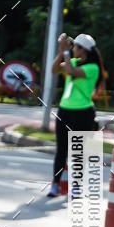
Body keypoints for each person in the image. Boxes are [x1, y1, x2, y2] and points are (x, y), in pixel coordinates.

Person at [46, 32, 103, 197]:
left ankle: (76, 187)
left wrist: (65, 51)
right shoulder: (73, 61)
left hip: (83, 111)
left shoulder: (93, 68)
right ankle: (55, 185)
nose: (74, 49)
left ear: (84, 50)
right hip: (65, 109)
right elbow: (54, 69)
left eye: (76, 47)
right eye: (73, 46)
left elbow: (70, 71)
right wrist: (61, 51)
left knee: (78, 150)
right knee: (61, 150)